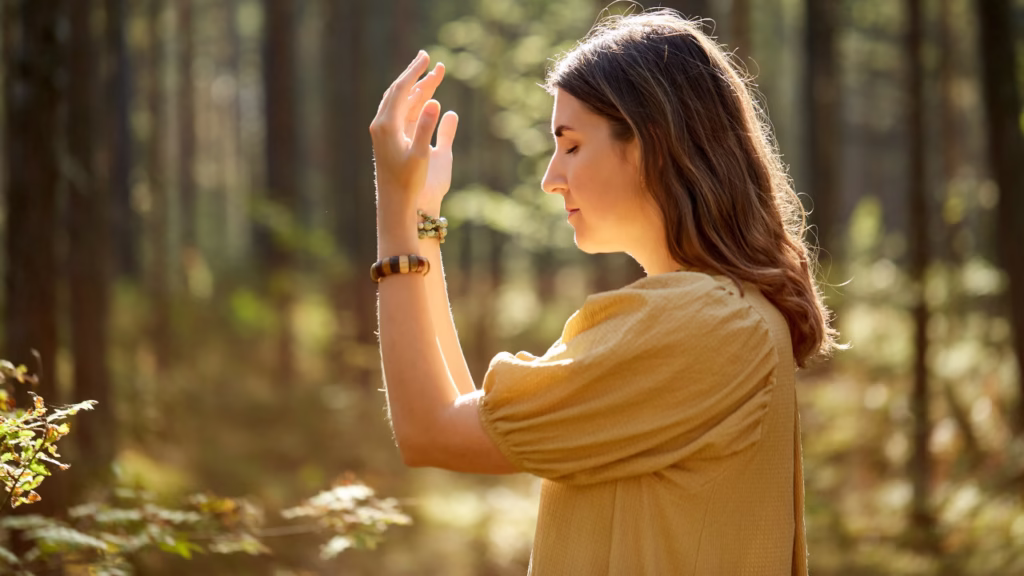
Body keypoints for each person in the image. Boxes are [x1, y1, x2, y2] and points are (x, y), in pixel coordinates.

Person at [368, 7, 842, 575]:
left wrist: (396, 210)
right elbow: (469, 416)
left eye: (570, 145)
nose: (550, 177)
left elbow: (431, 432)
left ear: (650, 145)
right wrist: (424, 221)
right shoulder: (718, 313)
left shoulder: (702, 325)